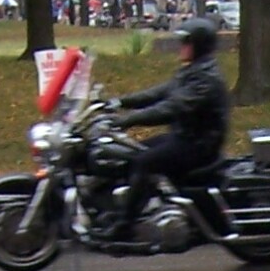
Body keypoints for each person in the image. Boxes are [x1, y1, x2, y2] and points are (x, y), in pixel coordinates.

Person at [99, 15, 231, 242]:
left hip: (198, 145)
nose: (182, 47)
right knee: (132, 153)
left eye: (186, 43)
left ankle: (125, 225)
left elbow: (171, 107)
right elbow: (159, 93)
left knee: (145, 161)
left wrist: (128, 120)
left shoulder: (206, 79)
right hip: (186, 137)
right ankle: (132, 207)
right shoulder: (194, 70)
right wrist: (119, 102)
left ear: (198, 46)